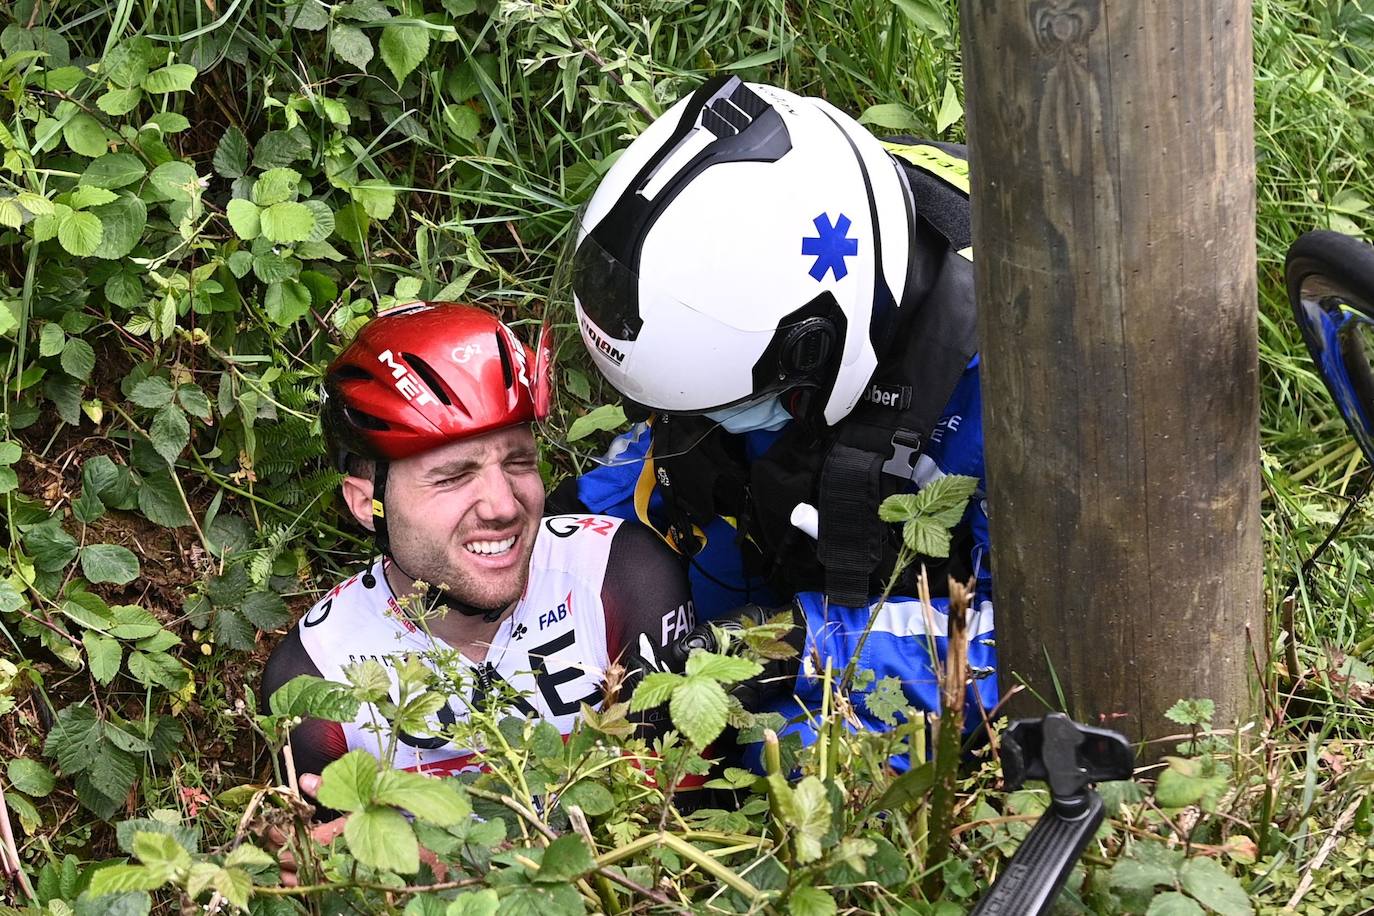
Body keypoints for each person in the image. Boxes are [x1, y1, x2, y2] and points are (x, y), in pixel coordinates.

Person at [552, 77, 998, 752]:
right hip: (820, 476)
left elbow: (1038, 643)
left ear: (816, 349)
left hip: (956, 596)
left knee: (785, 751)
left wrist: (791, 643)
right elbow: (676, 440)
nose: (709, 418)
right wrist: (565, 522)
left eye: (724, 403)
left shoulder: (1020, 387)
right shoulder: (779, 243)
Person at [261, 302, 698, 779]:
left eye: (519, 462)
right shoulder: (316, 674)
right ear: (367, 504)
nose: (503, 506)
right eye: (453, 477)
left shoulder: (620, 574)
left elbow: (677, 800)